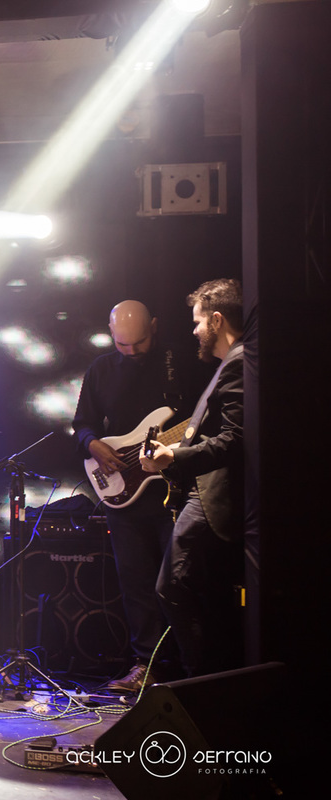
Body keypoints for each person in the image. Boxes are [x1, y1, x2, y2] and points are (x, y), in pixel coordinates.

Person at [72, 300, 193, 693]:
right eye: (122, 344)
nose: (132, 351)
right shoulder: (101, 369)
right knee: (136, 583)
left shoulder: (181, 362)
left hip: (173, 490)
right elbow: (82, 423)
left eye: (139, 342)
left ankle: (193, 667)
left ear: (154, 326)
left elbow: (201, 422)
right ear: (111, 333)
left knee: (180, 583)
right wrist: (93, 444)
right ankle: (146, 665)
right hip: (125, 494)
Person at [141, 278, 244, 678]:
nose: (195, 330)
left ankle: (199, 685)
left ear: (217, 320)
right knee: (200, 594)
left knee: (172, 587)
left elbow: (235, 440)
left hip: (211, 498)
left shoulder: (238, 362)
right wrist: (171, 456)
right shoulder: (230, 364)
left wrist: (175, 457)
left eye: (199, 321)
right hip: (201, 492)